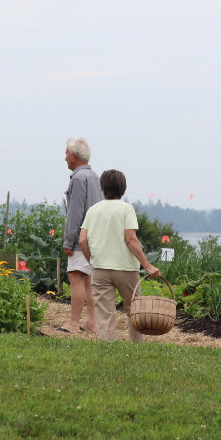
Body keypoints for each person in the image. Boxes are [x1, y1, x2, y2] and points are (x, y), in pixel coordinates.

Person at [79, 169, 161, 342]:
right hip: (126, 269)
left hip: (100, 268)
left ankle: (109, 348)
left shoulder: (93, 210)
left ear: (102, 189)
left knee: (105, 313)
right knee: (134, 309)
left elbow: (82, 240)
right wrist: (147, 265)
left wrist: (92, 260)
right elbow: (130, 239)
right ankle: (137, 346)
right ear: (123, 190)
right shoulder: (126, 209)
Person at [60, 138, 103, 333]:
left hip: (80, 237)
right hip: (96, 237)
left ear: (75, 156)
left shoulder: (78, 179)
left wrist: (69, 240)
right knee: (88, 280)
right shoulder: (95, 176)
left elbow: (75, 213)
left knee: (76, 276)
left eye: (67, 153)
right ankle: (93, 323)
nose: (65, 157)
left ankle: (73, 323)